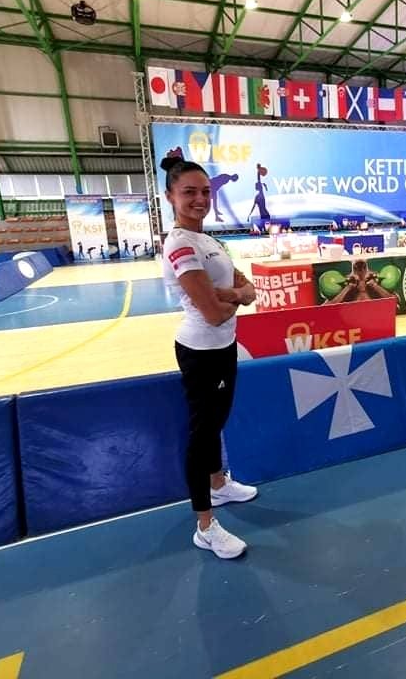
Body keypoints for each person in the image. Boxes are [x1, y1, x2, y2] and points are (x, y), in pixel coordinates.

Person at [161, 156, 259, 559]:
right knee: (202, 438)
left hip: (223, 345)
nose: (200, 199)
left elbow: (242, 285)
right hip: (201, 350)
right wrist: (237, 296)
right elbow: (214, 312)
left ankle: (218, 485)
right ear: (170, 196)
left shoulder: (210, 241)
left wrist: (231, 293)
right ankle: (205, 526)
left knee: (216, 423)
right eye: (189, 192)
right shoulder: (180, 245)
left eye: (205, 191)